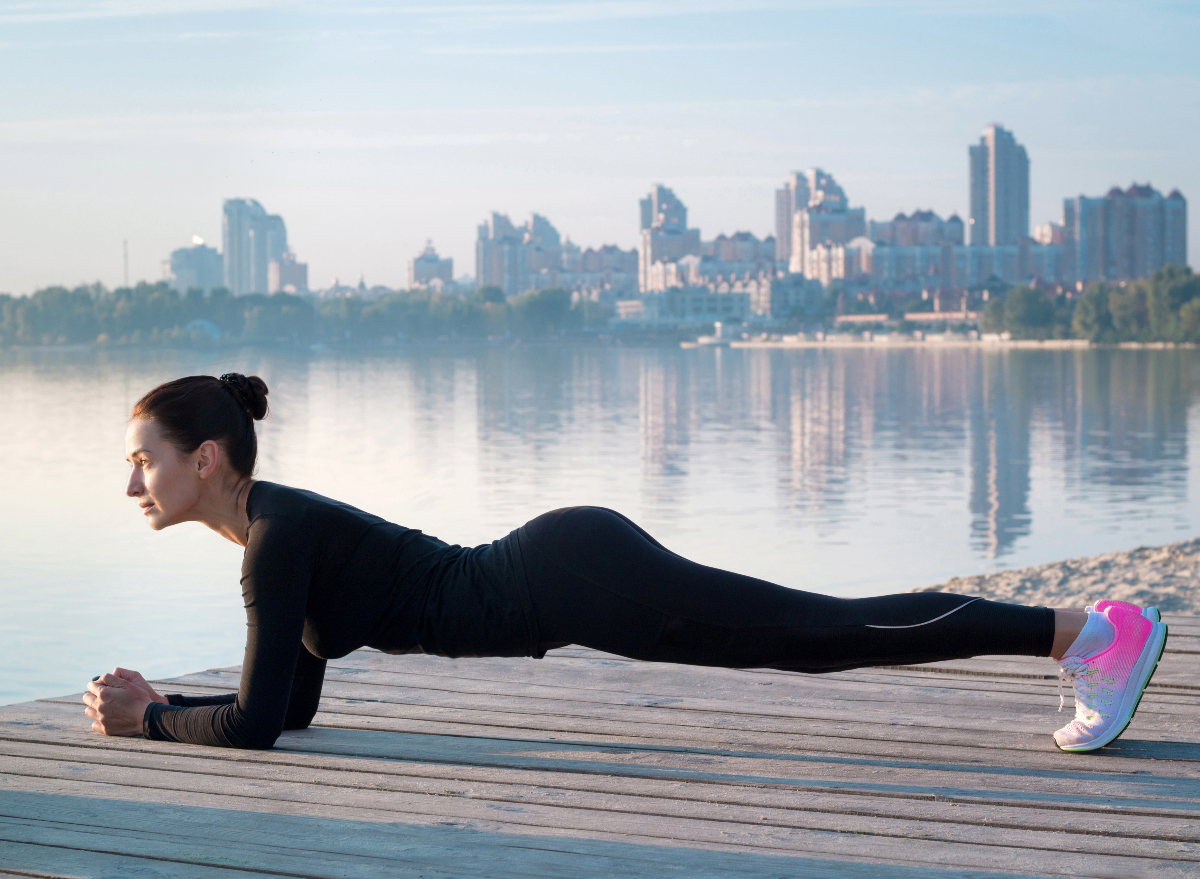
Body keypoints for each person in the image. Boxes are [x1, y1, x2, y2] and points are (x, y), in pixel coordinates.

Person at [84, 373, 1169, 754]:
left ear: (207, 459)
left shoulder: (276, 541)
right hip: (572, 580)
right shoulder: (275, 535)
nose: (134, 484)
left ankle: (1094, 634)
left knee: (834, 627)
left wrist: (147, 722)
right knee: (815, 649)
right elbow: (290, 705)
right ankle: (1086, 636)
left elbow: (259, 728)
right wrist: (173, 703)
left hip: (574, 573)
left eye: (145, 462)